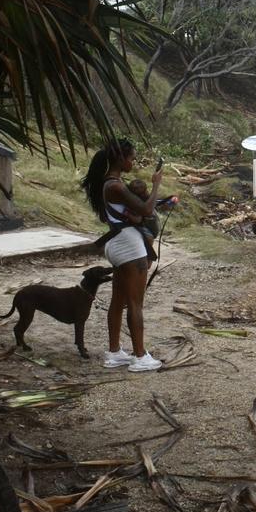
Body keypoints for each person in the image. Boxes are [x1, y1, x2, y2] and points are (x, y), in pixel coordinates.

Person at [81, 139, 163, 372]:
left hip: (117, 244)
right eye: (131, 158)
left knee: (119, 300)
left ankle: (115, 352)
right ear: (120, 159)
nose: (133, 162)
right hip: (129, 246)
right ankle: (140, 356)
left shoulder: (108, 184)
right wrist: (156, 184)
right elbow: (146, 210)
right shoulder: (115, 186)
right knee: (135, 303)